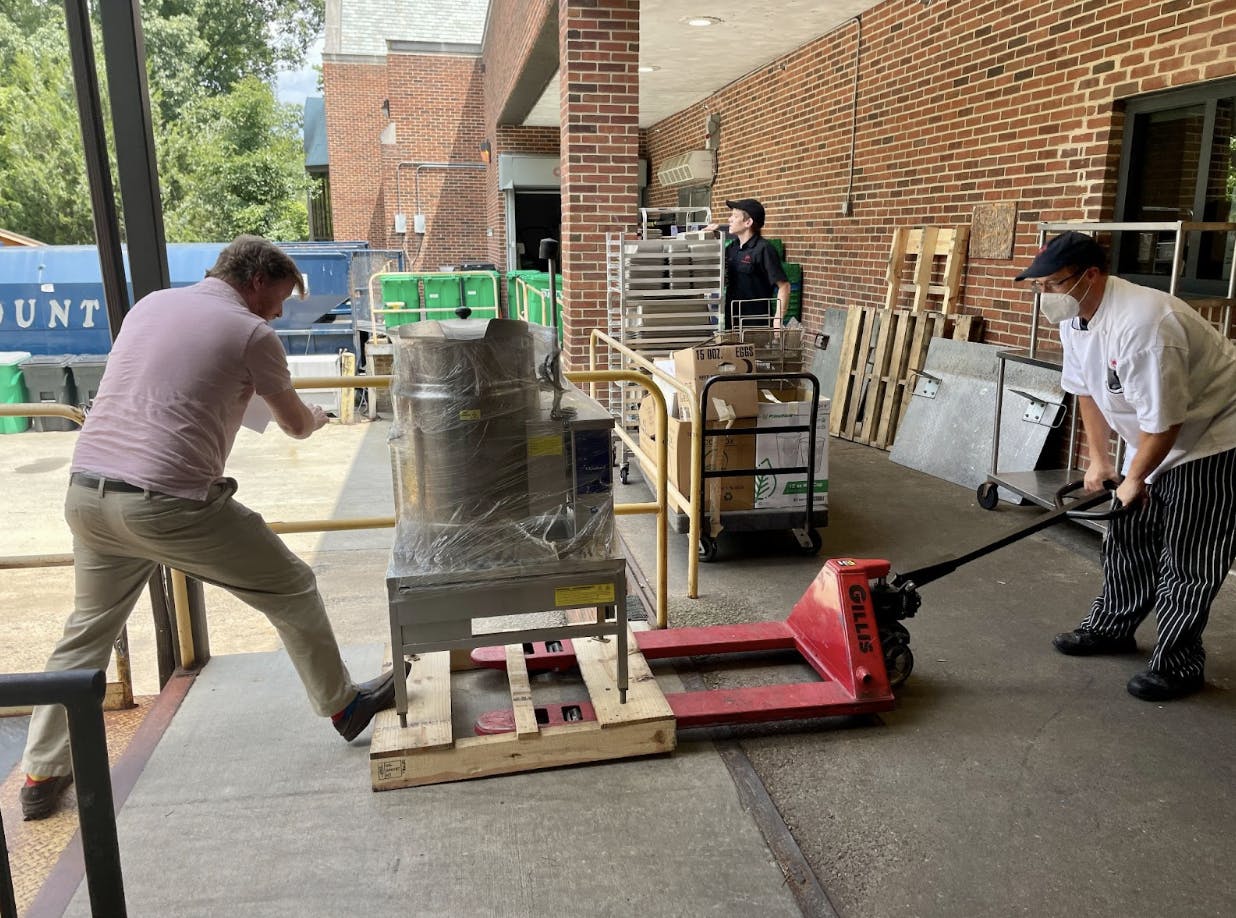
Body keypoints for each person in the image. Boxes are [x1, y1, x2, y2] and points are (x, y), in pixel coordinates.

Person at [19, 236, 400, 821]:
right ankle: (343, 706)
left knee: (86, 634)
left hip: (88, 493)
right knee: (291, 585)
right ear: (256, 280)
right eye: (278, 299)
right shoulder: (251, 333)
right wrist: (319, 419)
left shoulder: (151, 305)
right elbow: (294, 425)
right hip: (166, 503)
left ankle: (40, 774)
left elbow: (171, 385)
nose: (278, 313)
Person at [1015, 230, 1236, 701]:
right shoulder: (1076, 317)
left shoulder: (1146, 326)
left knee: (1189, 554)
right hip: (1162, 432)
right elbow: (1086, 391)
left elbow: (1167, 421)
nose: (1045, 295)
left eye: (1053, 284)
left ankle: (1178, 664)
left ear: (1090, 275)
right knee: (1128, 532)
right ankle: (1112, 627)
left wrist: (1135, 477)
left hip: (1217, 436)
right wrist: (1100, 461)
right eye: (1039, 286)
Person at [707, 198, 790, 330]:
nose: (729, 219)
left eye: (735, 216)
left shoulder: (764, 249)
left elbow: (784, 286)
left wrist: (777, 320)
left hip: (756, 326)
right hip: (732, 323)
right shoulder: (732, 248)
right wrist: (710, 238)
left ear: (748, 222)